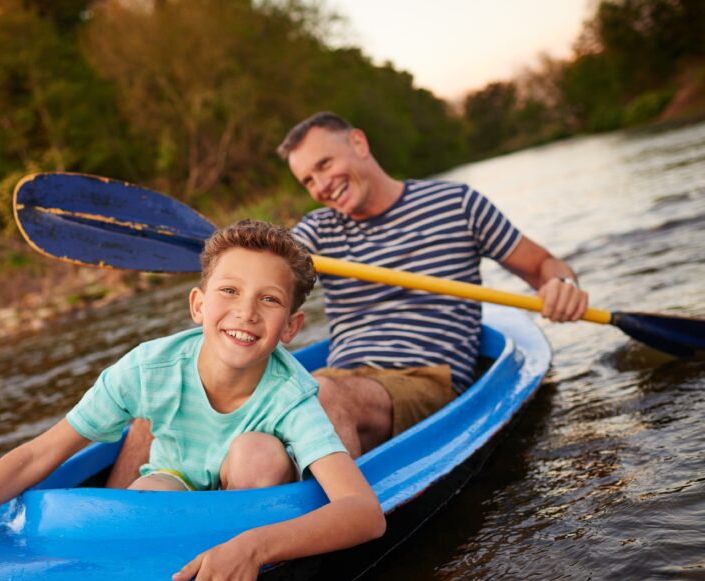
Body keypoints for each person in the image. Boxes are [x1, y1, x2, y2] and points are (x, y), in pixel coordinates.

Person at [0, 220, 386, 581]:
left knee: (256, 453)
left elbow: (363, 513)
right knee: (141, 500)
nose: (245, 312)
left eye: (268, 300)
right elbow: (38, 456)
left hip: (253, 498)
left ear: (292, 327)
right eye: (229, 292)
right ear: (198, 305)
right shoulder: (146, 369)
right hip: (177, 480)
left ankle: (234, 573)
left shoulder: (293, 396)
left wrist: (254, 546)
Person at [105, 112, 588, 487]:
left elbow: (545, 266)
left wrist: (560, 286)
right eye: (307, 181)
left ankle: (312, 528)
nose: (320, 185)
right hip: (338, 374)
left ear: (358, 143)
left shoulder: (457, 205)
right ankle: (114, 523)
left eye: (324, 164)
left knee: (325, 397)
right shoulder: (315, 232)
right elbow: (258, 269)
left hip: (424, 379)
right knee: (171, 385)